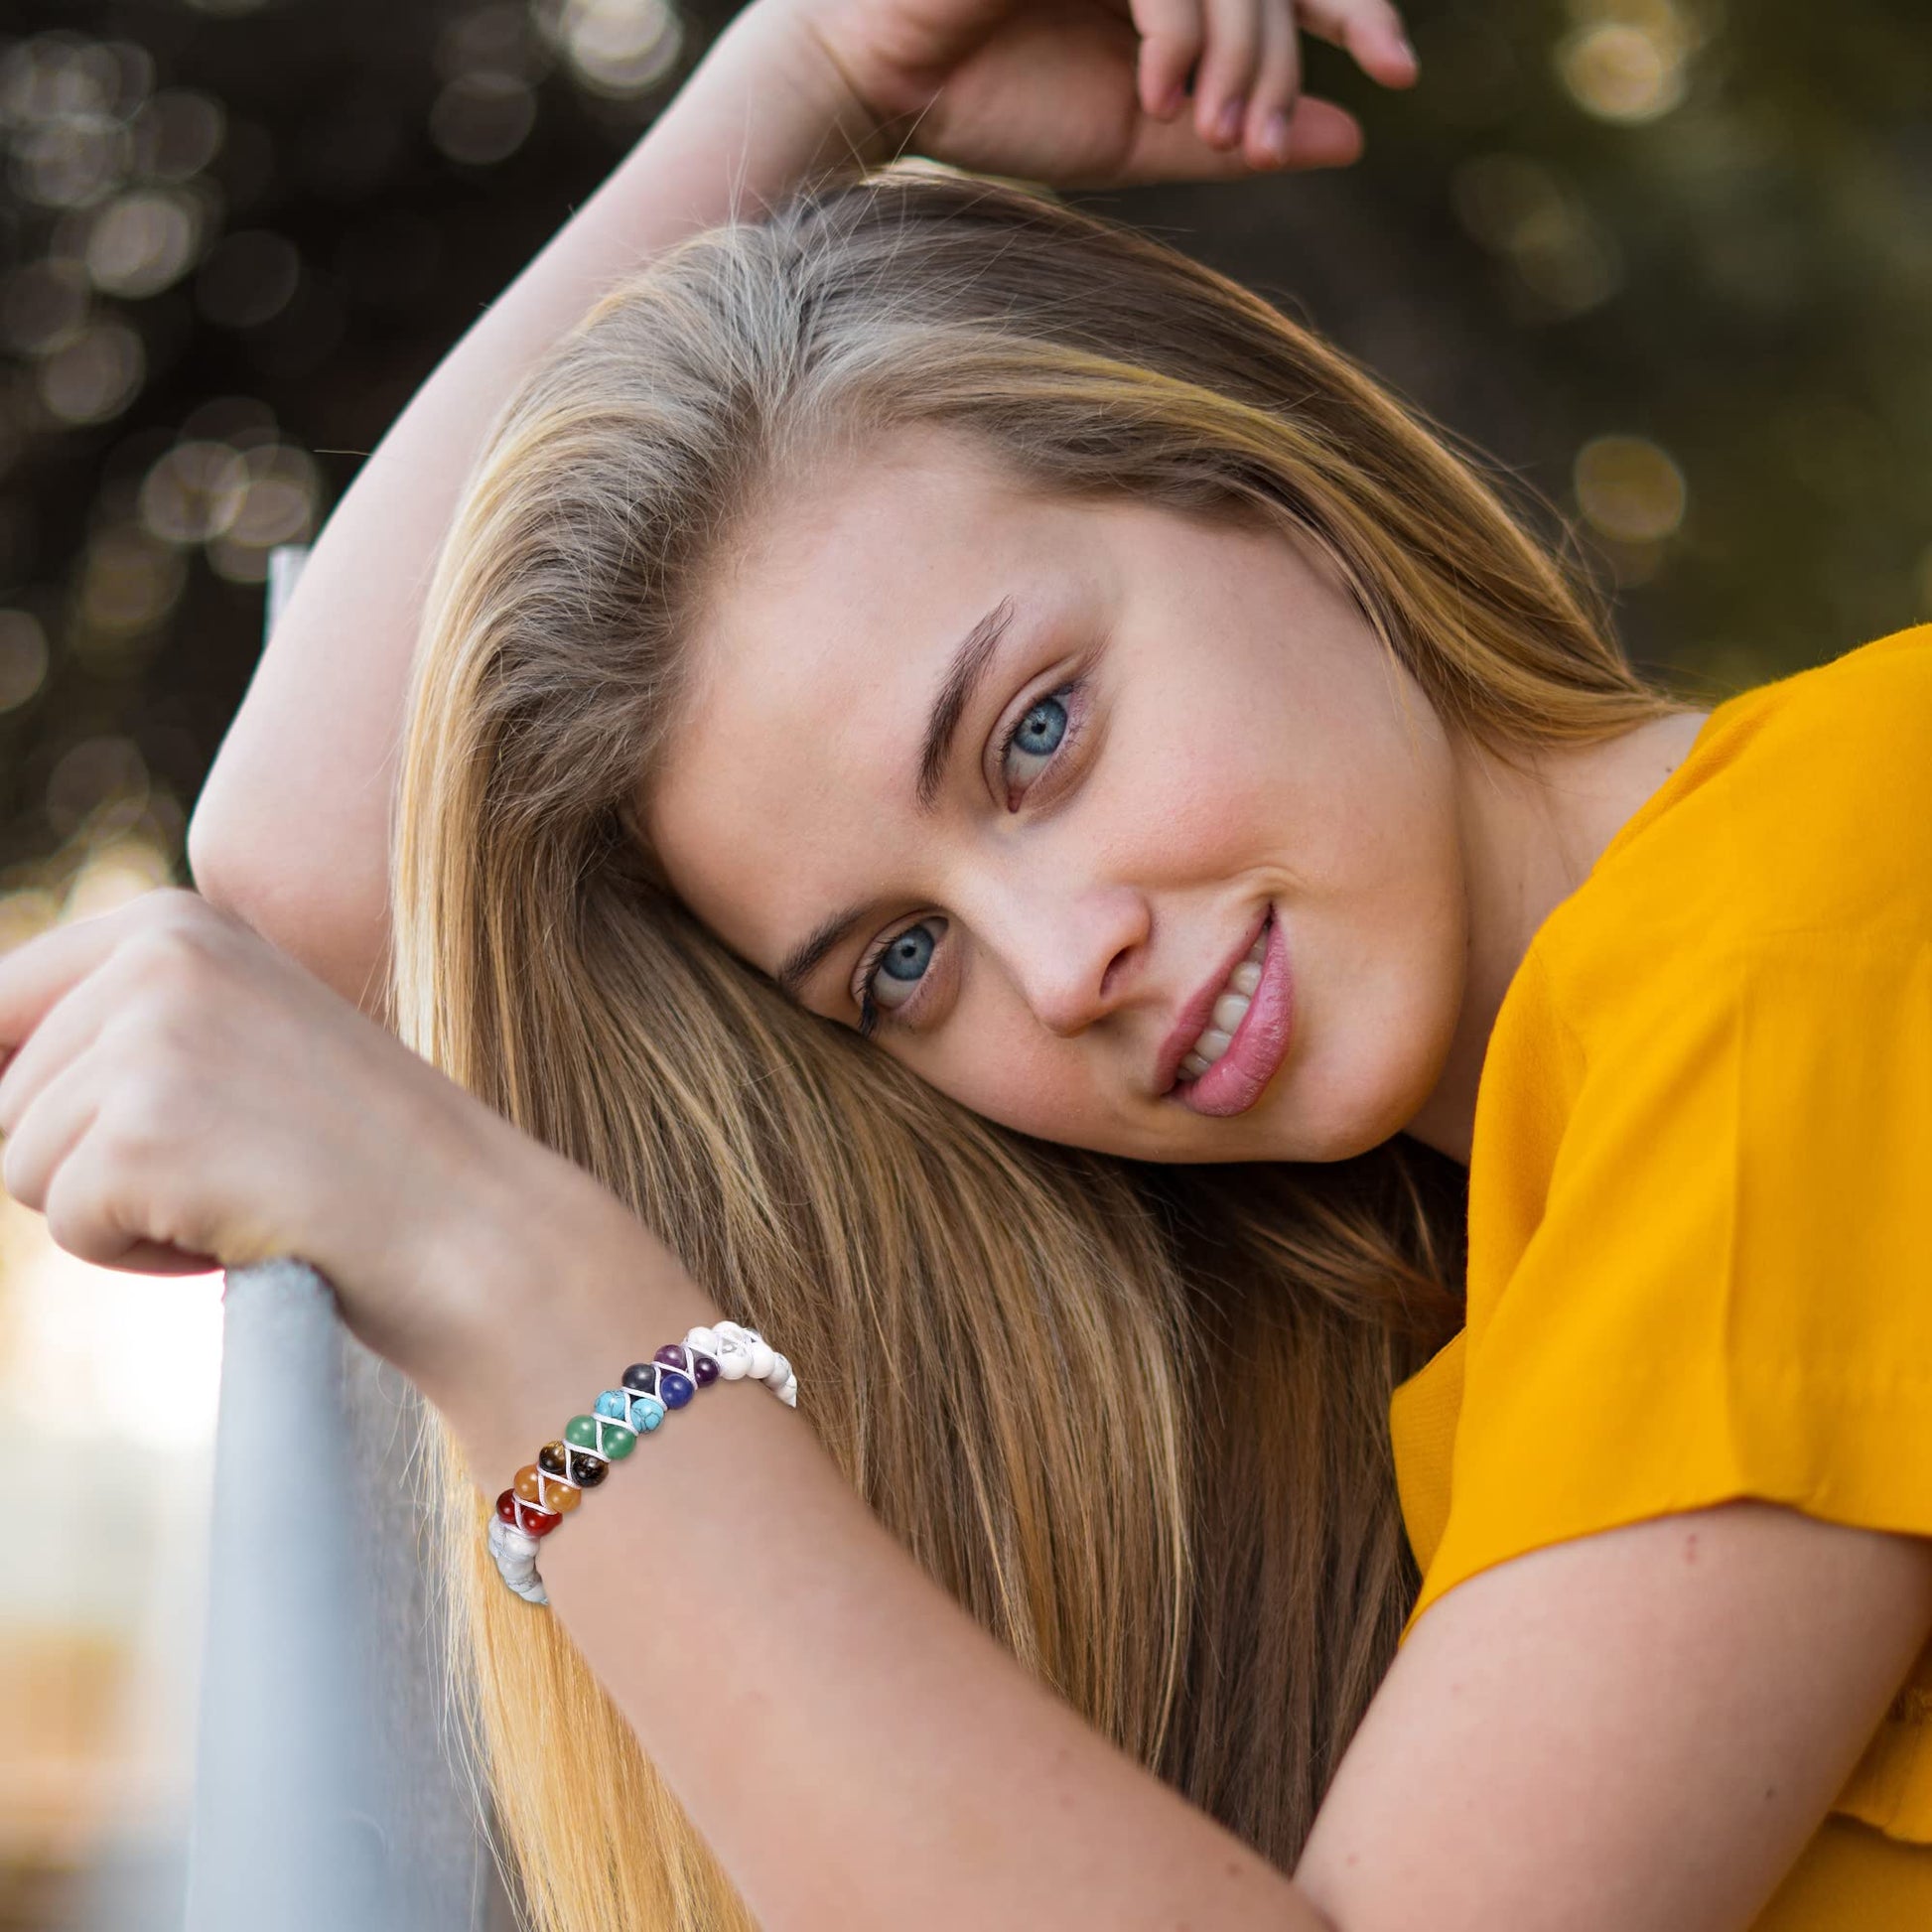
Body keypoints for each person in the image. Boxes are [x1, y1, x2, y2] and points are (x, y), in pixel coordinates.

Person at [1, 0, 1928, 1926]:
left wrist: (531, 1293)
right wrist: (826, 73)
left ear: (1278, 501)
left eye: (1032, 736)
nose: (1062, 965)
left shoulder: (1812, 911)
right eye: (901, 962)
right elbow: (319, 886)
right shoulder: (1515, 1223)